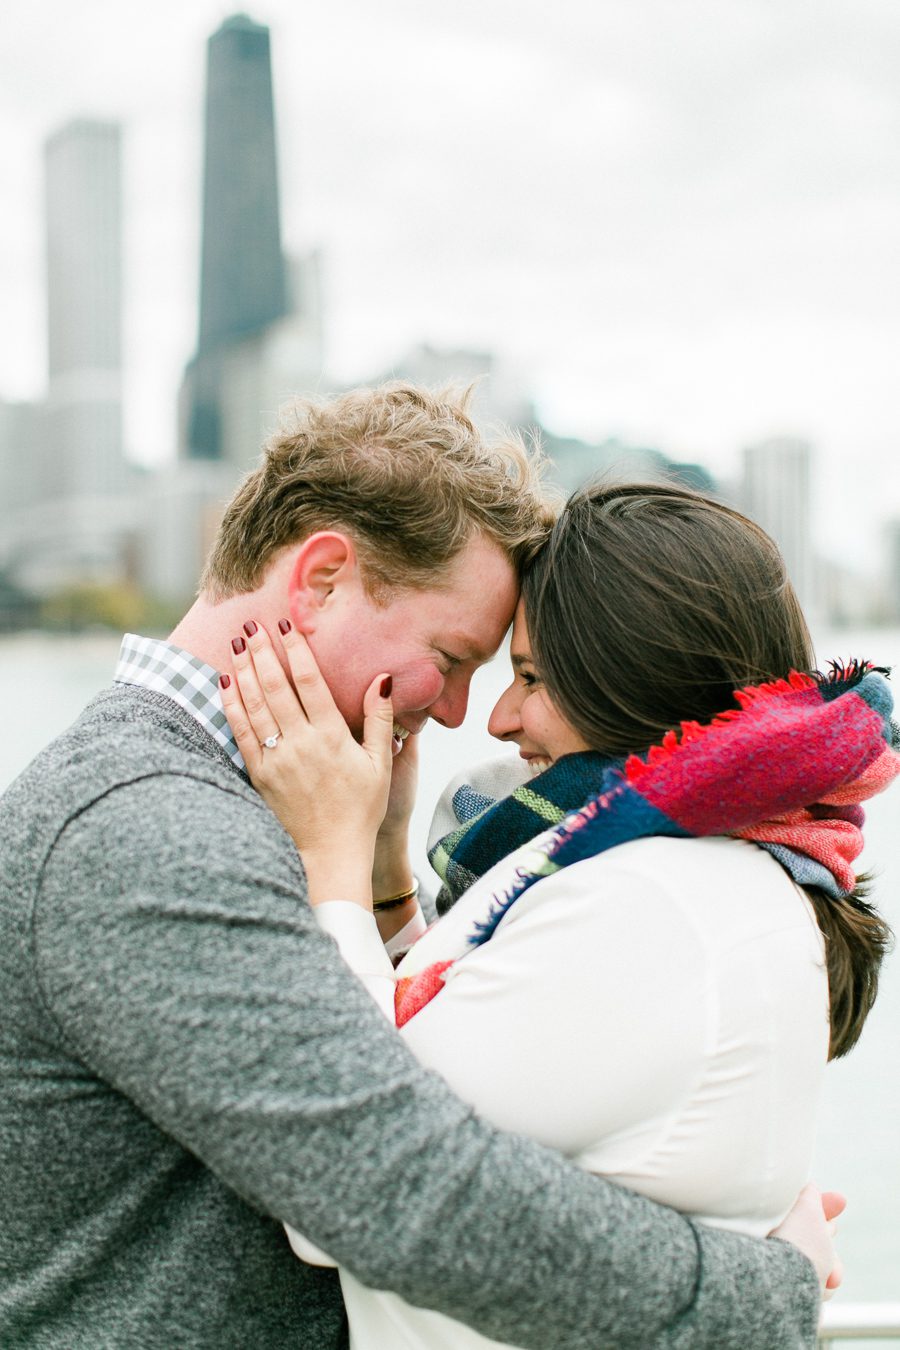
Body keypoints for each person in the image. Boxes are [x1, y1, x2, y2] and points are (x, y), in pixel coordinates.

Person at [0, 388, 833, 1350]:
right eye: (452, 656)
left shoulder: (229, 804)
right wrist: (762, 1288)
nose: (457, 717)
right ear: (321, 580)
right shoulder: (150, 830)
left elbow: (417, 1062)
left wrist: (378, 862)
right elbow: (402, 1182)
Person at [220, 477, 895, 1350]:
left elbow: (341, 1179)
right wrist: (386, 864)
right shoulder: (682, 873)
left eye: (531, 678)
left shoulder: (655, 902)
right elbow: (461, 1047)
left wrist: (330, 857)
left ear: (630, 690)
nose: (499, 719)